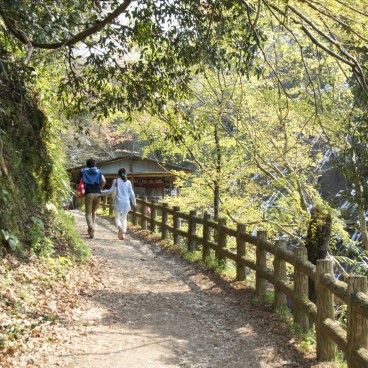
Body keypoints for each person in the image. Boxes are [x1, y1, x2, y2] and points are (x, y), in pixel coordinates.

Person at [102, 167, 136, 240]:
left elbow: (110, 191)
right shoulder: (128, 182)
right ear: (125, 174)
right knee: (124, 219)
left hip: (118, 202)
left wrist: (101, 192)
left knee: (117, 218)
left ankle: (119, 227)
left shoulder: (116, 180)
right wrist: (134, 202)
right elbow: (132, 193)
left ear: (118, 174)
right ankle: (123, 234)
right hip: (126, 203)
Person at [78, 158, 106, 238]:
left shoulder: (83, 171)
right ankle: (92, 230)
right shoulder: (99, 171)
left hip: (88, 193)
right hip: (97, 194)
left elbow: (78, 182)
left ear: (87, 164)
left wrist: (79, 192)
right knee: (94, 212)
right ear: (94, 164)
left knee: (88, 213)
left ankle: (91, 227)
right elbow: (104, 181)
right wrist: (100, 189)